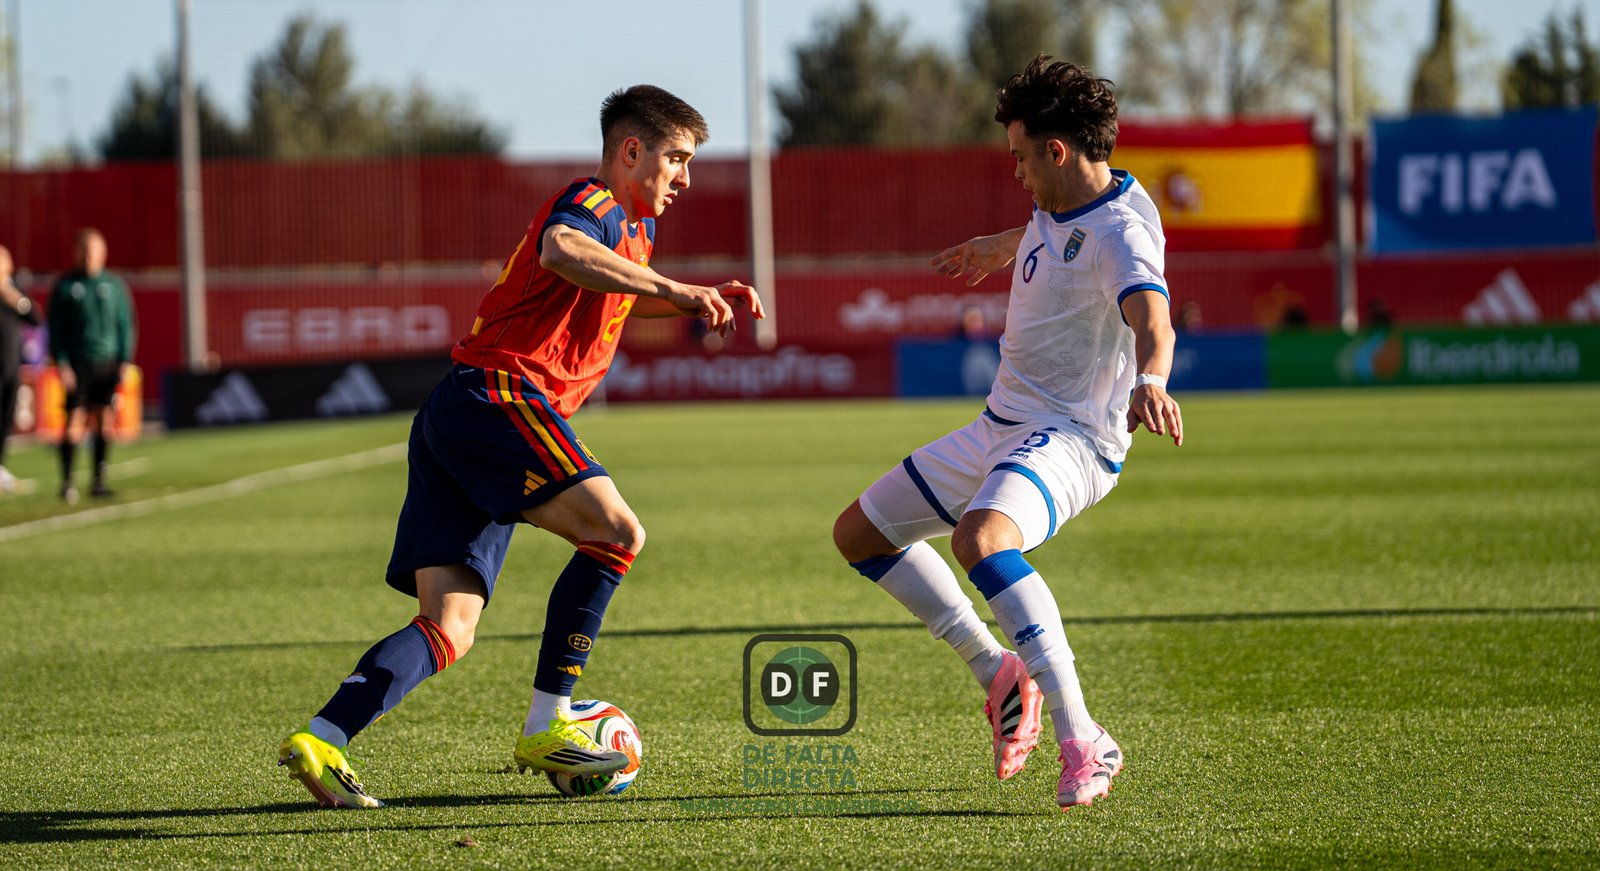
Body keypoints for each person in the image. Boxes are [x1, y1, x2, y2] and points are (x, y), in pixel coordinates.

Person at [277, 85, 764, 809]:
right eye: (677, 158)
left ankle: (324, 737)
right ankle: (550, 721)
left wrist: (691, 293)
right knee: (617, 534)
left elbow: (615, 291)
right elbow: (561, 248)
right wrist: (676, 287)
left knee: (450, 626)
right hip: (501, 397)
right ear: (632, 152)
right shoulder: (595, 203)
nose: (685, 177)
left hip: (458, 411)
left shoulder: (635, 235)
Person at [832, 55, 1183, 810]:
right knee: (859, 535)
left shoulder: (1123, 234)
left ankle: (1084, 737)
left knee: (982, 542)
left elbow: (1151, 316)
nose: (1017, 172)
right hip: (1001, 425)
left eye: (1023, 157)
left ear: (1057, 151)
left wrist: (1152, 380)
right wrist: (995, 248)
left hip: (1071, 440)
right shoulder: (1064, 205)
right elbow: (1046, 233)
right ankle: (999, 673)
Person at [46, 228, 136, 503]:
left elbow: (126, 325)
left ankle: (98, 480)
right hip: (78, 362)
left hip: (107, 362)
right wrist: (61, 362)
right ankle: (68, 481)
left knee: (103, 420)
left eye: (94, 250)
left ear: (103, 253)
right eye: (84, 250)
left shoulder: (115, 286)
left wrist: (125, 359)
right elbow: (56, 329)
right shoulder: (65, 287)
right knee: (73, 419)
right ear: (76, 252)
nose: (89, 256)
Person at [1, 245, 44, 493]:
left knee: (6, 419)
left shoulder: (13, 291)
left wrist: (16, 301)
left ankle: (0, 466)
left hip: (9, 366)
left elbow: (36, 318)